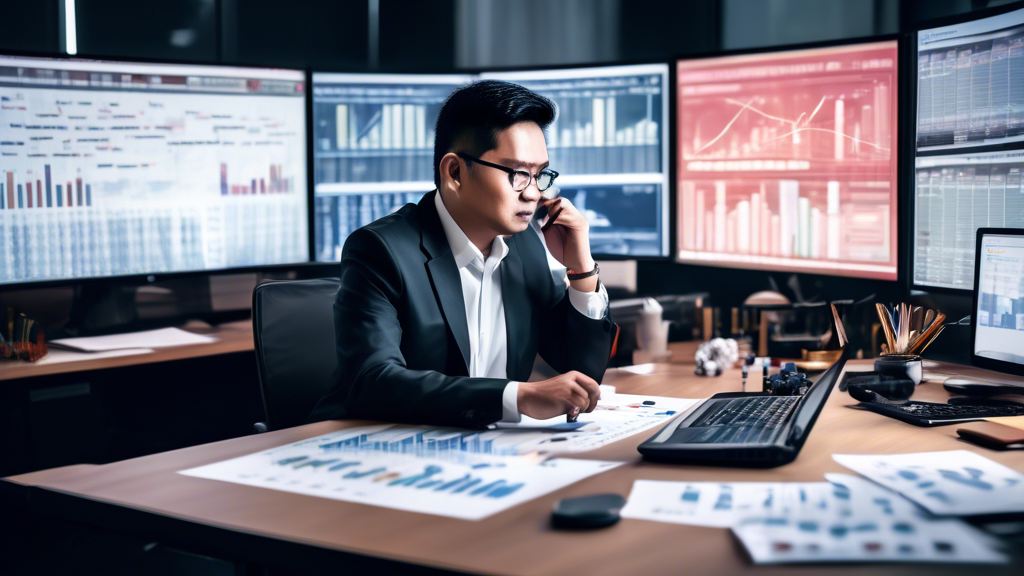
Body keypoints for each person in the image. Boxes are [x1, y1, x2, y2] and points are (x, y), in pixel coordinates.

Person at [309, 80, 616, 429]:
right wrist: (516, 397)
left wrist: (581, 270)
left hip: (480, 448)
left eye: (539, 174)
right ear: (454, 172)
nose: (533, 193)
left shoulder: (526, 245)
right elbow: (373, 381)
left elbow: (582, 375)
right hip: (372, 446)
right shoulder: (381, 250)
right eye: (518, 174)